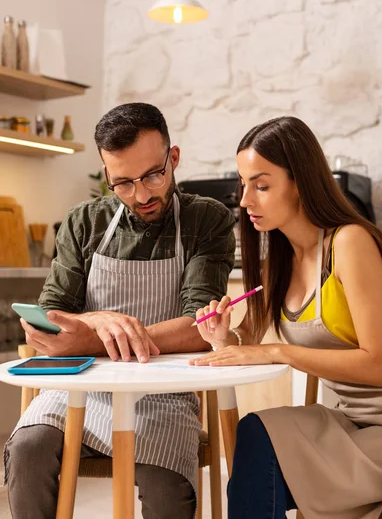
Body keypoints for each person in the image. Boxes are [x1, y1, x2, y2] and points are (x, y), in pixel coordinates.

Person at [4, 102, 236, 519]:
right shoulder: (83, 222)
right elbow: (44, 326)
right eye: (123, 183)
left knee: (169, 488)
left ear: (174, 158)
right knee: (26, 450)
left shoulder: (207, 220)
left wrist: (89, 336)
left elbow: (201, 327)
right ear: (107, 175)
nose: (141, 195)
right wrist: (96, 318)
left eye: (153, 175)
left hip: (164, 397)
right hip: (78, 389)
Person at [191, 116, 382, 519]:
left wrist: (278, 352)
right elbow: (245, 341)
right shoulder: (279, 264)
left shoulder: (350, 244)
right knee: (256, 434)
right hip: (346, 423)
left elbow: (377, 366)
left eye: (261, 185)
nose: (245, 199)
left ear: (300, 183)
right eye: (243, 184)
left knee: (257, 465)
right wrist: (222, 337)